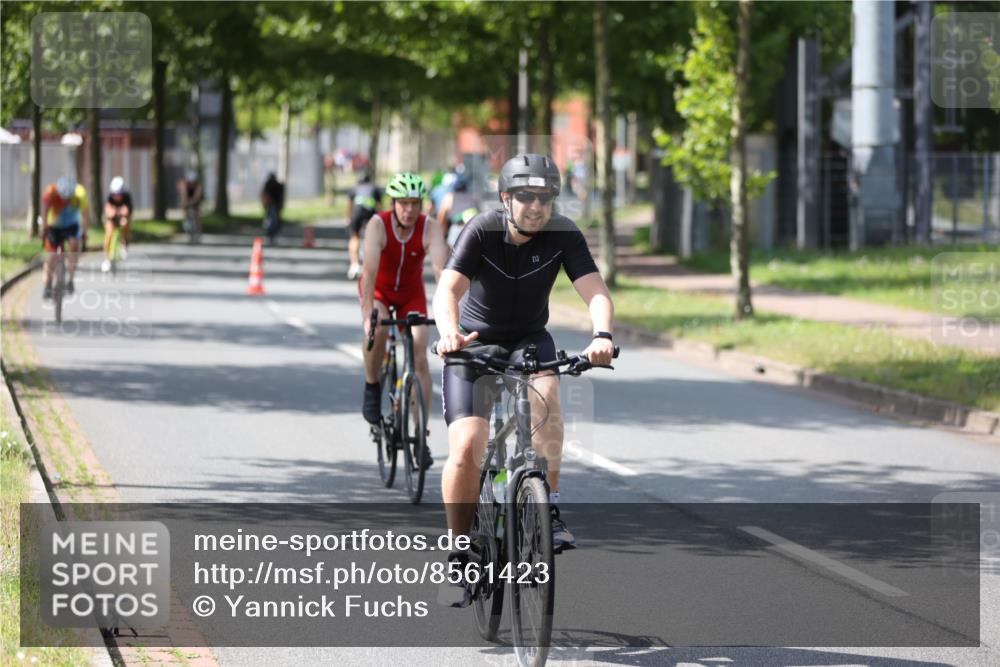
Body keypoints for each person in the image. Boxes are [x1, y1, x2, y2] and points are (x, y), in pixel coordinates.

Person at [433, 154, 615, 607]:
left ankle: (547, 505)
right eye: (525, 196)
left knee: (548, 400)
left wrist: (603, 335)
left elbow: (595, 290)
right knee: (466, 447)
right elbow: (448, 289)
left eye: (545, 197)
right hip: (473, 345)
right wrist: (448, 332)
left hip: (529, 342)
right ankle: (459, 552)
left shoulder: (563, 234)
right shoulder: (481, 229)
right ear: (505, 198)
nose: (536, 206)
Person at [359, 173, 448, 461]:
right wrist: (368, 315)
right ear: (393, 204)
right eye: (403, 203)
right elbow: (369, 273)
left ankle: (420, 435)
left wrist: (449, 319)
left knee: (420, 351)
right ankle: (372, 384)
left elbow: (441, 273)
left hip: (411, 294)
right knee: (379, 331)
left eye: (415, 203)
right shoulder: (378, 225)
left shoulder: (429, 227)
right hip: (380, 293)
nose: (409, 210)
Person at [41, 175, 89, 298]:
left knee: (74, 245)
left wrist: (85, 231)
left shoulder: (80, 193)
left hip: (71, 225)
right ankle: (47, 284)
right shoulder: (51, 191)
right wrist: (44, 228)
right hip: (54, 225)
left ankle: (71, 280)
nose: (66, 202)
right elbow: (44, 210)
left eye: (69, 199)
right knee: (52, 255)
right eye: (64, 198)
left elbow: (85, 214)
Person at [346, 171, 382, 279]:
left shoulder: (354, 189)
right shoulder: (374, 188)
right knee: (370, 238)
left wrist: (348, 218)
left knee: (354, 237)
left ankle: (354, 264)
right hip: (371, 213)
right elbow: (380, 206)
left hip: (357, 212)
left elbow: (349, 205)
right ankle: (369, 263)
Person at [435, 174, 480, 248]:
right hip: (472, 230)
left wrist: (441, 234)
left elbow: (442, 216)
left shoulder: (450, 197)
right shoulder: (473, 197)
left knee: (452, 255)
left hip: (457, 229)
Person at [102, 176, 132, 272]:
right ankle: (107, 259)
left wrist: (117, 211)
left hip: (122, 218)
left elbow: (127, 211)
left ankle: (125, 243)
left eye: (119, 194)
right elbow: (108, 211)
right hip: (112, 219)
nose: (117, 196)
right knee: (108, 234)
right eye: (115, 194)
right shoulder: (110, 197)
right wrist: (115, 212)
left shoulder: (127, 197)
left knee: (125, 223)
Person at [177, 168, 203, 236]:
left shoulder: (198, 185)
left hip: (195, 198)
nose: (192, 184)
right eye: (190, 182)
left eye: (193, 182)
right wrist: (185, 202)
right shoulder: (183, 184)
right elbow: (183, 194)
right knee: (184, 208)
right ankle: (185, 221)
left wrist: (193, 201)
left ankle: (199, 230)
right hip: (187, 196)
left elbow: (197, 195)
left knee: (198, 214)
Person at [261, 173, 285, 244]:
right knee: (274, 219)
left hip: (271, 204)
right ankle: (273, 232)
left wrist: (265, 204)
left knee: (271, 219)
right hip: (274, 205)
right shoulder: (278, 185)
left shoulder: (268, 185)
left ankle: (271, 232)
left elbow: (264, 195)